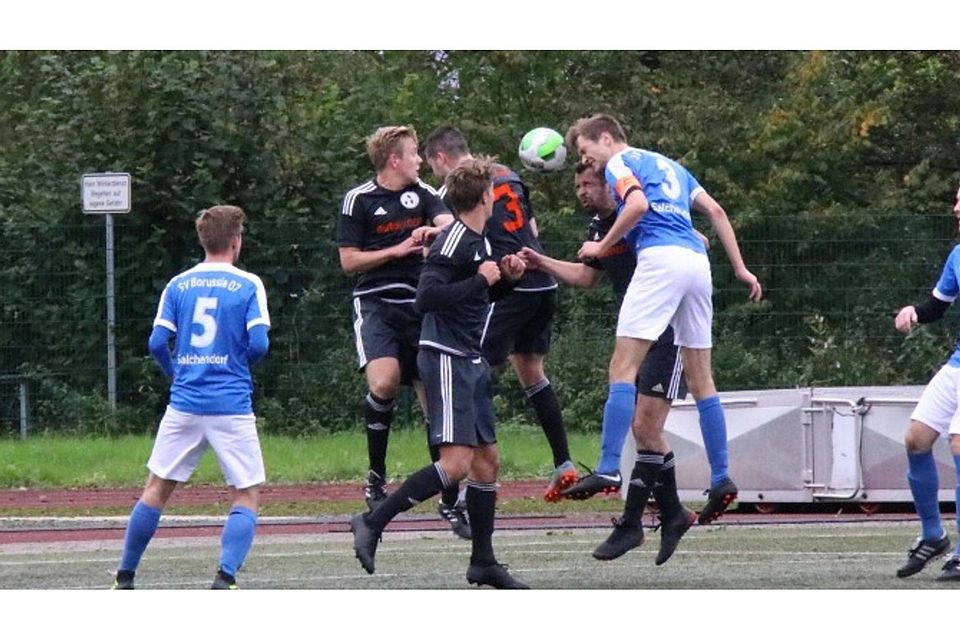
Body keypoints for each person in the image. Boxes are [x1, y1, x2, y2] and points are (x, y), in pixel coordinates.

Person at [567, 113, 763, 527]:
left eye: (587, 151)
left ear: (606, 138)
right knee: (701, 379)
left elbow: (636, 205)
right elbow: (717, 211)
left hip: (661, 260)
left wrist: (602, 247)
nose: (590, 161)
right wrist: (741, 268)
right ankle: (721, 475)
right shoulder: (672, 165)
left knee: (622, 366)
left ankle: (607, 465)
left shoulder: (621, 162)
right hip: (696, 265)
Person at [350, 156, 529, 589]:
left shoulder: (478, 241)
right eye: (494, 191)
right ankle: (373, 521)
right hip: (446, 356)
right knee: (455, 465)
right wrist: (483, 281)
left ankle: (483, 561)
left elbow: (475, 295)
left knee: (488, 463)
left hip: (468, 357)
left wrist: (507, 279)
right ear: (486, 196)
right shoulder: (453, 241)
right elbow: (427, 298)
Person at [519, 163, 699, 564]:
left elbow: (695, 237)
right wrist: (541, 261)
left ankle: (634, 522)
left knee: (645, 428)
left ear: (611, 186)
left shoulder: (638, 215)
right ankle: (671, 515)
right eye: (577, 184)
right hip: (639, 329)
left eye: (589, 184)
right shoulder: (600, 228)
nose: (581, 191)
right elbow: (587, 277)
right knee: (647, 432)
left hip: (670, 329)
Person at [112, 205, 270, 590]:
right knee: (245, 493)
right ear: (236, 242)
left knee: (157, 487)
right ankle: (224, 577)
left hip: (184, 402)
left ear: (204, 240)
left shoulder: (178, 284)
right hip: (230, 404)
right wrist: (236, 366)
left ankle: (125, 576)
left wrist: (177, 372)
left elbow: (155, 343)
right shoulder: (249, 284)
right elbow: (260, 343)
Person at [423, 125, 577, 502]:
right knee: (531, 371)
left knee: (467, 369)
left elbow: (457, 235)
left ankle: (462, 481)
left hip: (509, 283)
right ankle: (563, 463)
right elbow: (532, 227)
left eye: (432, 166)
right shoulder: (507, 174)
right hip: (541, 280)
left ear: (441, 158)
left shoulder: (457, 189)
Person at [337, 126, 469, 539]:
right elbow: (348, 261)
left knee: (436, 401)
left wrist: (434, 233)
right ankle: (376, 478)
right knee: (386, 380)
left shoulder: (425, 194)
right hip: (377, 304)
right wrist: (394, 251)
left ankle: (451, 500)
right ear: (394, 160)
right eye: (413, 154)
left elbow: (453, 225)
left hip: (419, 306)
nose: (419, 161)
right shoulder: (358, 200)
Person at [892, 183, 960, 582]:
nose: (954, 208)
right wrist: (914, 312)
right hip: (956, 365)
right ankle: (934, 535)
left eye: (959, 200)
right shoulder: (957, 255)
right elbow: (939, 305)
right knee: (916, 440)